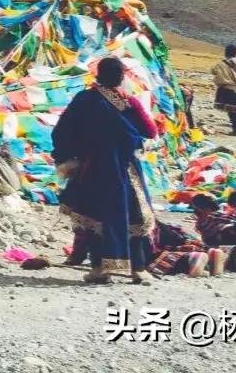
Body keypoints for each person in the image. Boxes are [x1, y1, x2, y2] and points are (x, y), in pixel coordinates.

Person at [52, 55, 158, 285]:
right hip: (124, 168)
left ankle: (99, 269)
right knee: (134, 216)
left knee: (94, 217)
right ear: (121, 77)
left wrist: (69, 158)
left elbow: (61, 131)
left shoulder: (83, 100)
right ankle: (138, 269)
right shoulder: (128, 102)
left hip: (91, 169)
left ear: (98, 75)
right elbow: (150, 131)